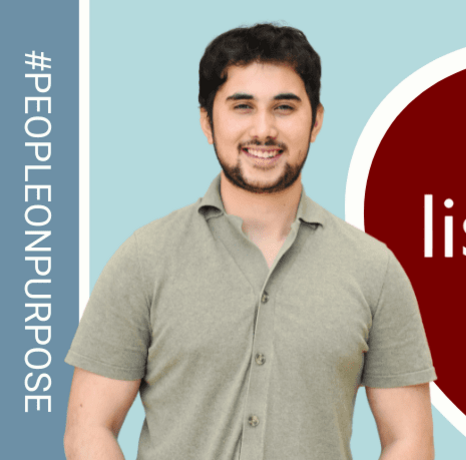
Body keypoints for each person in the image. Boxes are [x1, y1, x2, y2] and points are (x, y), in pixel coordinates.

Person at [63, 23, 436, 460]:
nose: (263, 130)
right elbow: (89, 429)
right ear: (207, 121)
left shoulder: (375, 269)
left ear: (315, 121)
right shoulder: (145, 259)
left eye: (284, 107)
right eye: (242, 106)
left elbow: (407, 440)